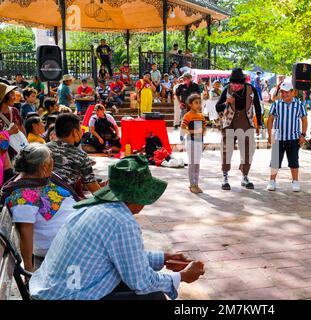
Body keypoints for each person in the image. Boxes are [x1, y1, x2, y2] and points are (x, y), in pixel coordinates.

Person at [29, 155, 205, 300]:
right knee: (154, 297)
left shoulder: (98, 208)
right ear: (137, 197)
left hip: (52, 289)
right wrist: (182, 277)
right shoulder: (121, 221)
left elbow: (127, 257)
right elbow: (142, 281)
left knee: (134, 282)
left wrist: (165, 258)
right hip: (67, 295)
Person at [1, 143, 80, 271]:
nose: (53, 162)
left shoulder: (44, 178)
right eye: (51, 159)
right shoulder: (23, 196)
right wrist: (28, 269)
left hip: (72, 235)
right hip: (60, 245)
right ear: (44, 166)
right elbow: (26, 234)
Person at [215, 68, 262, 190]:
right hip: (230, 123)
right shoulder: (227, 89)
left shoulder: (251, 90)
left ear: (243, 82)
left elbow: (257, 106)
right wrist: (226, 102)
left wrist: (259, 124)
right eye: (233, 83)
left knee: (248, 150)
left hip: (246, 122)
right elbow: (217, 107)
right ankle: (225, 177)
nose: (235, 86)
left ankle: (245, 176)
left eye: (238, 83)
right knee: (226, 149)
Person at [266, 80, 308, 192]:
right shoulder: (276, 104)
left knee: (294, 161)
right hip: (278, 137)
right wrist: (270, 134)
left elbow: (304, 119)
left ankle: (295, 181)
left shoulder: (299, 104)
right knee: (275, 161)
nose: (284, 94)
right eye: (282, 92)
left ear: (293, 92)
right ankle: (272, 181)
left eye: (286, 92)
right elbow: (270, 119)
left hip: (294, 138)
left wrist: (303, 135)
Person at [46, 113, 101, 196]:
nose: (82, 133)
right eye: (80, 130)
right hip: (61, 202)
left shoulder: (41, 148)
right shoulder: (81, 156)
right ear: (75, 132)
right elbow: (94, 189)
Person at [181, 94, 206, 194]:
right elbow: (183, 129)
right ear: (190, 104)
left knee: (197, 163)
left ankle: (196, 183)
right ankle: (192, 184)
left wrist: (203, 132)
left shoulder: (201, 116)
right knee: (192, 163)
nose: (198, 105)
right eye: (196, 103)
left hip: (199, 141)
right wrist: (195, 132)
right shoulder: (187, 115)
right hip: (191, 141)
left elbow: (204, 128)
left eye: (199, 103)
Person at [176, 73, 201, 141]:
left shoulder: (195, 86)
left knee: (194, 120)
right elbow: (177, 94)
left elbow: (198, 96)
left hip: (193, 106)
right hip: (184, 106)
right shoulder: (181, 86)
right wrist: (180, 103)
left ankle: (193, 135)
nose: (184, 79)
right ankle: (182, 135)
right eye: (183, 78)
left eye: (185, 78)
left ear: (190, 78)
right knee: (184, 121)